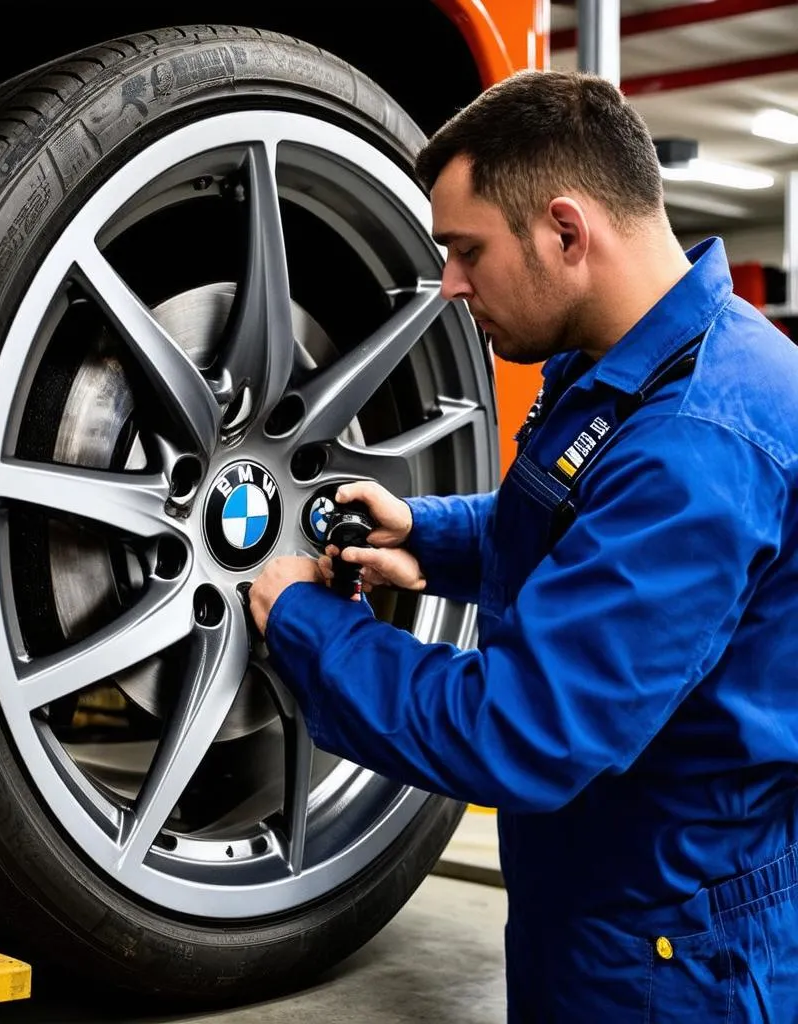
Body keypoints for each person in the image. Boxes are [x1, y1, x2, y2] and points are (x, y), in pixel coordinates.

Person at [249, 69, 798, 1021]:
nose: (451, 284)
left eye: (467, 251)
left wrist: (304, 626)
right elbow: (581, 519)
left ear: (566, 231)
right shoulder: (638, 357)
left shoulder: (700, 446)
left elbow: (523, 729)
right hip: (610, 888)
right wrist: (430, 535)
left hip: (672, 948)